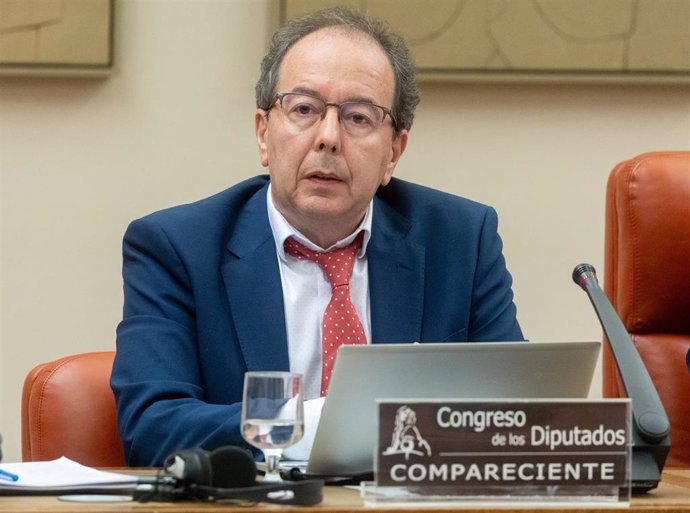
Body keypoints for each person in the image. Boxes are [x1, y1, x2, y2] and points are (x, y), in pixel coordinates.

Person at [111, 6, 523, 467]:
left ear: (394, 153)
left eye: (358, 118)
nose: (328, 138)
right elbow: (153, 426)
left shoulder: (461, 240)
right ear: (264, 134)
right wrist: (313, 423)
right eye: (304, 109)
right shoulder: (176, 247)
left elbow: (516, 412)